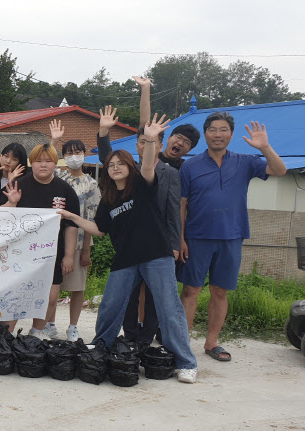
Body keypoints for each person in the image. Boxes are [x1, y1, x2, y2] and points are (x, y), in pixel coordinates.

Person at [58, 113, 198, 383]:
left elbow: (147, 165)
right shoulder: (109, 199)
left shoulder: (142, 185)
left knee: (169, 308)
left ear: (129, 167)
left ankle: (186, 362)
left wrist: (150, 138)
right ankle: (101, 348)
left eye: (121, 163)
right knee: (110, 305)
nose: (115, 167)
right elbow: (99, 229)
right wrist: (73, 218)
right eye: (111, 165)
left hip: (156, 255)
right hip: (125, 259)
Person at [178, 112, 287, 362]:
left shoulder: (246, 161)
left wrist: (265, 146)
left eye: (223, 129)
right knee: (190, 290)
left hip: (231, 236)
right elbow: (181, 205)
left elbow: (279, 170)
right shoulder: (190, 165)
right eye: (213, 129)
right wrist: (180, 238)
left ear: (231, 134)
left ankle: (211, 342)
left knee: (220, 291)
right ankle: (182, 344)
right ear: (205, 134)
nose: (218, 134)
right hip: (196, 237)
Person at [97, 104, 182, 346]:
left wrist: (174, 243)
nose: (145, 145)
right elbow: (108, 160)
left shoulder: (166, 173)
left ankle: (150, 340)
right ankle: (130, 337)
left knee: (161, 300)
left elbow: (174, 212)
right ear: (136, 145)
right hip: (130, 249)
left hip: (159, 246)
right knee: (127, 297)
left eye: (151, 141)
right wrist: (103, 133)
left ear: (159, 145)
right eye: (141, 141)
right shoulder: (129, 171)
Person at [2, 143, 79, 335]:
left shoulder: (65, 190)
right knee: (14, 295)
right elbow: (1, 218)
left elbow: (72, 226)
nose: (43, 165)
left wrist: (69, 256)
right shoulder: (19, 184)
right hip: (20, 253)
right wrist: (12, 202)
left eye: (48, 161)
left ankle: (36, 333)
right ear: (31, 163)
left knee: (51, 297)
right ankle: (5, 334)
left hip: (52, 253)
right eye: (38, 161)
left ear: (55, 163)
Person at [49, 121, 101, 342]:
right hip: (54, 240)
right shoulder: (58, 177)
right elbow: (45, 162)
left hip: (79, 242)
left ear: (84, 154)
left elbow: (91, 217)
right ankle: (49, 323)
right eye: (68, 152)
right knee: (53, 285)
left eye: (77, 152)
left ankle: (72, 327)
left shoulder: (91, 184)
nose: (73, 156)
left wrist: (87, 247)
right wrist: (53, 140)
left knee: (77, 288)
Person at [132, 76, 201, 170]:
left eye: (186, 142)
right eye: (179, 137)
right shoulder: (151, 157)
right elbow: (144, 125)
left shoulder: (186, 169)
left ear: (189, 150)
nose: (180, 143)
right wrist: (145, 88)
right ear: (169, 138)